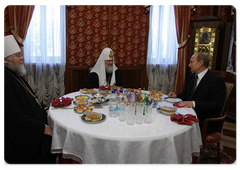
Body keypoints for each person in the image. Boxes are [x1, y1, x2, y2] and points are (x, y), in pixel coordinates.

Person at [2, 35, 56, 164]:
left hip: (33, 125)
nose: (22, 59)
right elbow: (12, 115)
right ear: (4, 60)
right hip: (23, 137)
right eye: (17, 56)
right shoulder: (3, 80)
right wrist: (42, 128)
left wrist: (44, 108)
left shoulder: (14, 73)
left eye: (21, 55)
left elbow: (31, 98)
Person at [168, 52, 226, 134]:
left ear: (201, 62)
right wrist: (176, 95)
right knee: (169, 120)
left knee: (175, 128)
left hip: (205, 120)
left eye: (191, 62)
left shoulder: (216, 81)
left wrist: (194, 104)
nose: (189, 65)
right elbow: (186, 94)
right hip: (187, 113)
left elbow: (217, 105)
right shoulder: (191, 77)